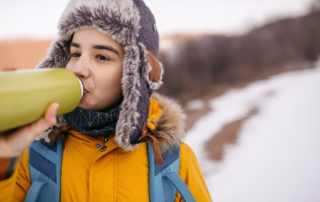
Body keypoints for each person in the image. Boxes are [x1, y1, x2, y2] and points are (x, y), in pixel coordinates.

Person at [0, 0, 212, 201]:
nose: (79, 69)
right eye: (75, 53)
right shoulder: (30, 157)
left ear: (134, 74)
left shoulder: (173, 162)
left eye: (102, 57)